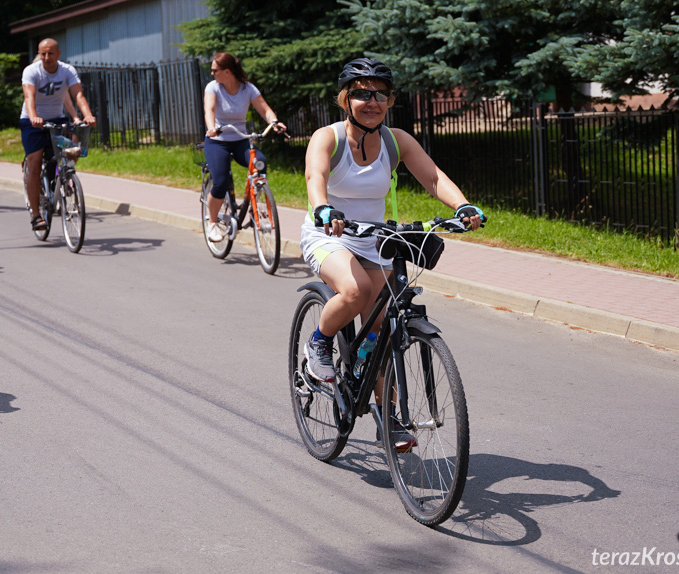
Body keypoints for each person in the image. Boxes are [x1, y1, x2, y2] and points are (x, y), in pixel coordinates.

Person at [301, 58, 485, 446]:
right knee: (356, 292)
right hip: (330, 233)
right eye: (362, 94)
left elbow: (432, 177)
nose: (372, 102)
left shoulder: (395, 140)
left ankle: (389, 417)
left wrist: (463, 206)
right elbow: (314, 177)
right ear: (345, 99)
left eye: (380, 94)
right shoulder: (328, 138)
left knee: (383, 327)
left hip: (374, 237)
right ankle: (318, 343)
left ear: (389, 100)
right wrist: (323, 208)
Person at [203, 52, 286, 242]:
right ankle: (213, 222)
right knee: (221, 181)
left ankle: (256, 205)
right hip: (217, 140)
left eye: (214, 70)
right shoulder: (213, 87)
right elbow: (210, 110)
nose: (212, 73)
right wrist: (211, 128)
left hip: (240, 139)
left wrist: (274, 122)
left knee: (260, 163)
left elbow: (264, 108)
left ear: (227, 72)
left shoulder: (247, 89)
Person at [20, 38, 95, 231]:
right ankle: (36, 215)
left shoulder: (67, 70)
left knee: (73, 148)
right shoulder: (31, 71)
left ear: (58, 54)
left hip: (57, 118)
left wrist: (86, 115)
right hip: (32, 120)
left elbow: (78, 95)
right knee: (35, 163)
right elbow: (29, 96)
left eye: (50, 53)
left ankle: (62, 177)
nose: (46, 57)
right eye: (43, 53)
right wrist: (34, 117)